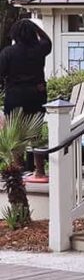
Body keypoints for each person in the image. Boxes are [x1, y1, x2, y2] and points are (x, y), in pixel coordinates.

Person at [0, 19, 52, 175]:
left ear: (14, 34)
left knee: (15, 133)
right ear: (32, 33)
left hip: (15, 95)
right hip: (37, 94)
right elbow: (47, 40)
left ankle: (18, 168)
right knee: (35, 133)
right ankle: (40, 170)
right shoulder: (39, 49)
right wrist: (35, 26)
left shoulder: (7, 52)